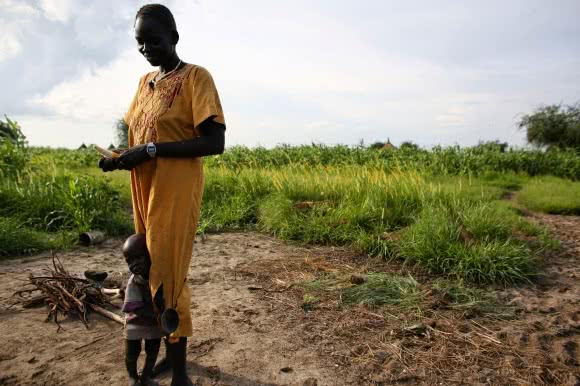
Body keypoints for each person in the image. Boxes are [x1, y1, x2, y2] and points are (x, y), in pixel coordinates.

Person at [99, 4, 226, 385]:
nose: (146, 48)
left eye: (153, 40)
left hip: (176, 190)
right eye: (140, 42)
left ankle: (181, 374)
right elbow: (138, 139)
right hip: (144, 189)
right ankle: (167, 357)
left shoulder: (196, 78)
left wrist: (152, 150)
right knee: (147, 269)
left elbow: (214, 142)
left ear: (173, 36)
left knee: (169, 278)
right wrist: (120, 158)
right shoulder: (144, 83)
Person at [122, 234, 164, 386]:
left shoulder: (158, 277)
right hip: (135, 324)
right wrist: (158, 314)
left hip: (153, 325)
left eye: (138, 258)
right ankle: (133, 378)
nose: (133, 264)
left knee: (152, 352)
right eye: (129, 261)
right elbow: (135, 309)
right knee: (131, 354)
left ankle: (146, 377)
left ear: (149, 255)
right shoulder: (134, 282)